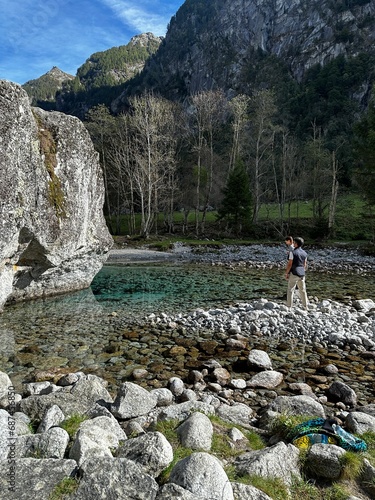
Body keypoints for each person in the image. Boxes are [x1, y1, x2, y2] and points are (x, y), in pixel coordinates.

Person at [285, 236, 308, 309]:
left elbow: (290, 264)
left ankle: (289, 306)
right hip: (302, 274)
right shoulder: (304, 253)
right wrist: (302, 271)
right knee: (303, 290)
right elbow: (304, 264)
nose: (293, 243)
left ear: (296, 244)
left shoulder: (293, 252)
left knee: (290, 289)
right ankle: (305, 306)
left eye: (294, 242)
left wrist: (287, 273)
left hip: (294, 273)